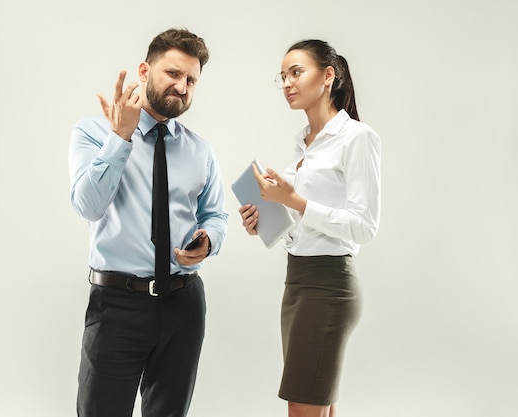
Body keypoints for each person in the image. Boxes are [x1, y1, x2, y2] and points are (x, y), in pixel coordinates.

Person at [68, 28, 228, 417]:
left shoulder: (200, 150)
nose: (182, 86)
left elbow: (215, 214)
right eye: (173, 73)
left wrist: (208, 240)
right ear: (144, 70)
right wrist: (120, 138)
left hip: (184, 304)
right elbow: (88, 204)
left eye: (191, 80)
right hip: (118, 304)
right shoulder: (93, 132)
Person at [239, 39, 381, 417]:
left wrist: (295, 202)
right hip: (297, 283)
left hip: (329, 286)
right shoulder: (303, 144)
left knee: (305, 406)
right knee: (317, 405)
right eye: (282, 76)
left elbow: (364, 227)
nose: (287, 83)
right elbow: (300, 228)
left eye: (296, 72)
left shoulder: (357, 138)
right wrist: (264, 221)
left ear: (328, 75)